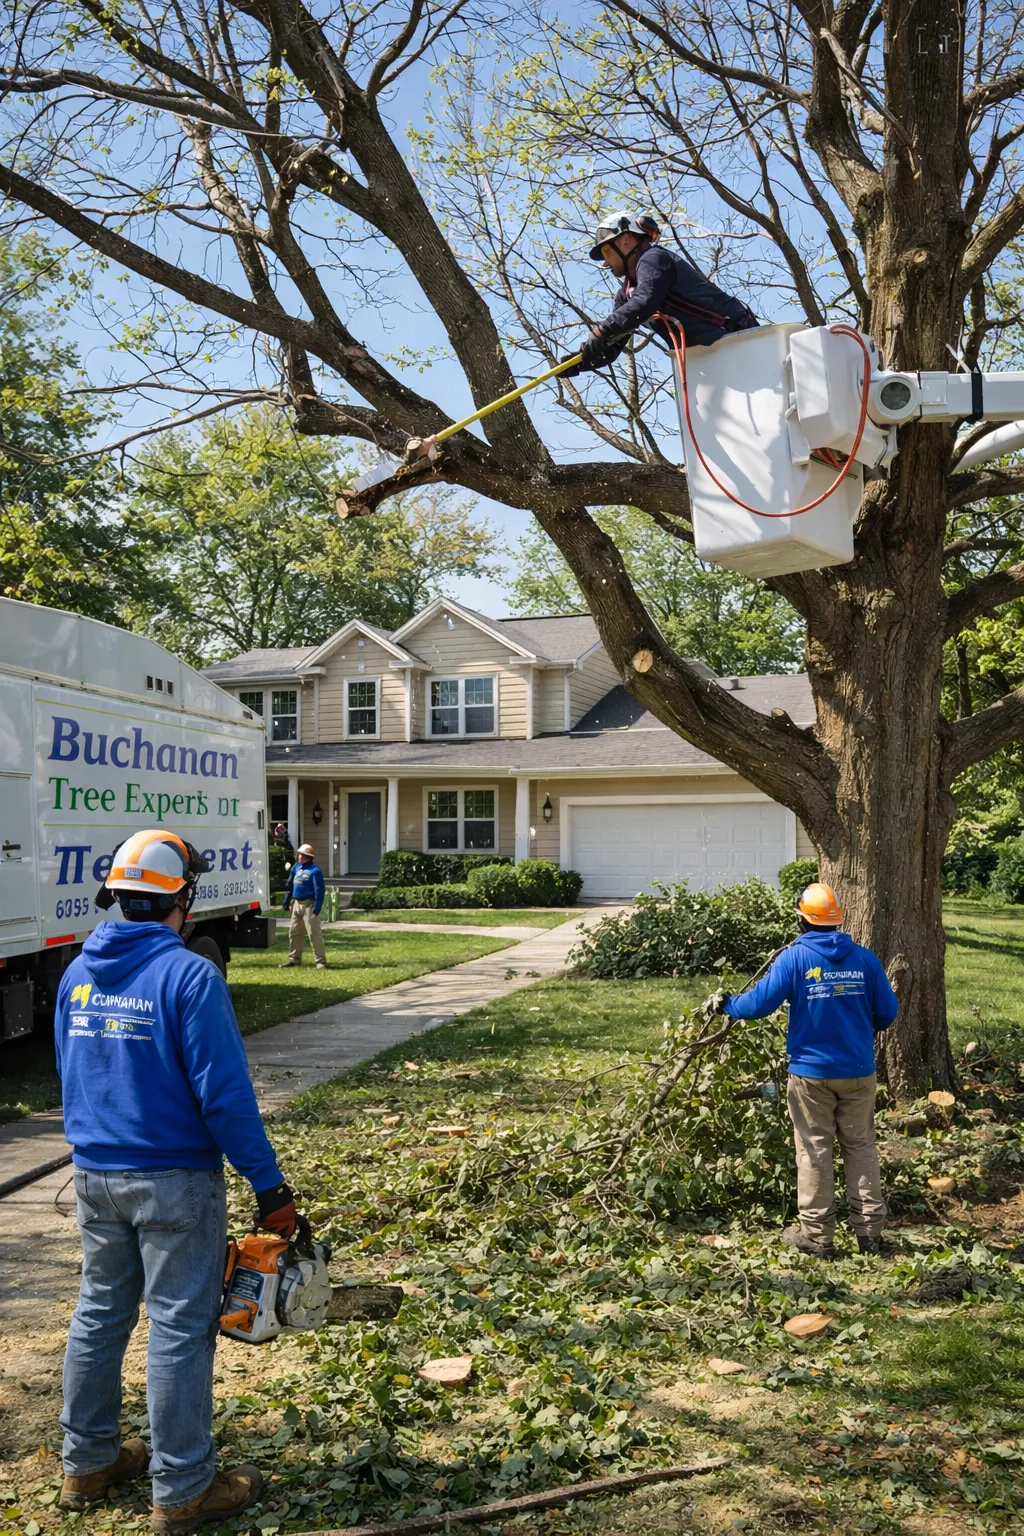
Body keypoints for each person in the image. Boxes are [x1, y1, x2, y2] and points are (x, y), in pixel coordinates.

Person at [55, 829, 303, 1533]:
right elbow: (224, 1098)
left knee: (100, 1314)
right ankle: (185, 1488)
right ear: (182, 900)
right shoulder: (190, 976)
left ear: (116, 897)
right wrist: (271, 1189)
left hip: (95, 1175)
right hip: (173, 1182)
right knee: (177, 1328)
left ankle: (88, 1463)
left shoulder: (77, 973)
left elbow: (73, 1077)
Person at [717, 882, 899, 1258]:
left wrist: (726, 1004)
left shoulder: (793, 959)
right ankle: (870, 1235)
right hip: (858, 1071)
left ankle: (817, 1237)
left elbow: (757, 1006)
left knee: (815, 1150)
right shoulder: (865, 959)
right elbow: (888, 1012)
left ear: (802, 919)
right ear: (838, 921)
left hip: (811, 1075)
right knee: (860, 1146)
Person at [566, 210, 758, 376]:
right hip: (704, 362)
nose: (605, 262)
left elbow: (645, 302)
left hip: (740, 340)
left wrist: (600, 331)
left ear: (625, 241)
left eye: (606, 251)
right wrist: (581, 361)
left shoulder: (654, 259)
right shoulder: (626, 295)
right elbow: (612, 344)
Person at [282, 842, 327, 970]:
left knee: (314, 933)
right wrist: (286, 901)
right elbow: (290, 885)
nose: (300, 857)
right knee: (294, 932)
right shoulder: (296, 868)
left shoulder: (315, 871)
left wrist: (317, 909)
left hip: (309, 904)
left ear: (309, 857)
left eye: (303, 855)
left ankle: (320, 961)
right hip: (297, 904)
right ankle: (294, 959)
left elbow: (319, 890)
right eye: (299, 854)